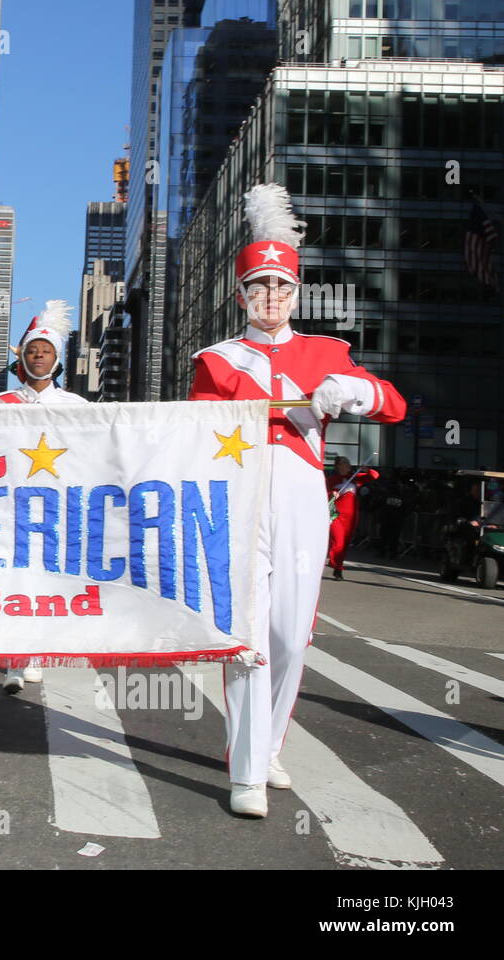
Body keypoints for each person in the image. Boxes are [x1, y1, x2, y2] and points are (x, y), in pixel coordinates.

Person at [188, 183, 406, 818]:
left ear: (295, 293)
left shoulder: (328, 353)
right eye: (259, 287)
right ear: (242, 295)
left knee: (290, 636)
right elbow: (197, 432)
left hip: (306, 497)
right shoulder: (217, 360)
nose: (271, 298)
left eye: (281, 288)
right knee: (251, 635)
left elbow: (392, 404)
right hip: (240, 497)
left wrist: (353, 393)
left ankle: (268, 743)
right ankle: (247, 771)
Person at [0, 300, 90, 693]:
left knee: (45, 585)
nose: (38, 357)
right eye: (31, 351)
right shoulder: (0, 404)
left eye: (45, 351)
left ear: (56, 358)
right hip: (8, 507)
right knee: (12, 585)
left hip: (54, 507)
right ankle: (15, 660)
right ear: (22, 359)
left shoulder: (75, 406)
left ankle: (36, 653)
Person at [325, 456, 377, 579]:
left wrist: (366, 470)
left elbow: (374, 475)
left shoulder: (355, 479)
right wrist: (332, 494)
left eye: (347, 463)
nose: (346, 466)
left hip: (351, 517)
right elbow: (321, 494)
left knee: (345, 544)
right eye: (343, 464)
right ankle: (334, 563)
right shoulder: (332, 480)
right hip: (336, 515)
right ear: (337, 467)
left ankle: (338, 568)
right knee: (338, 542)